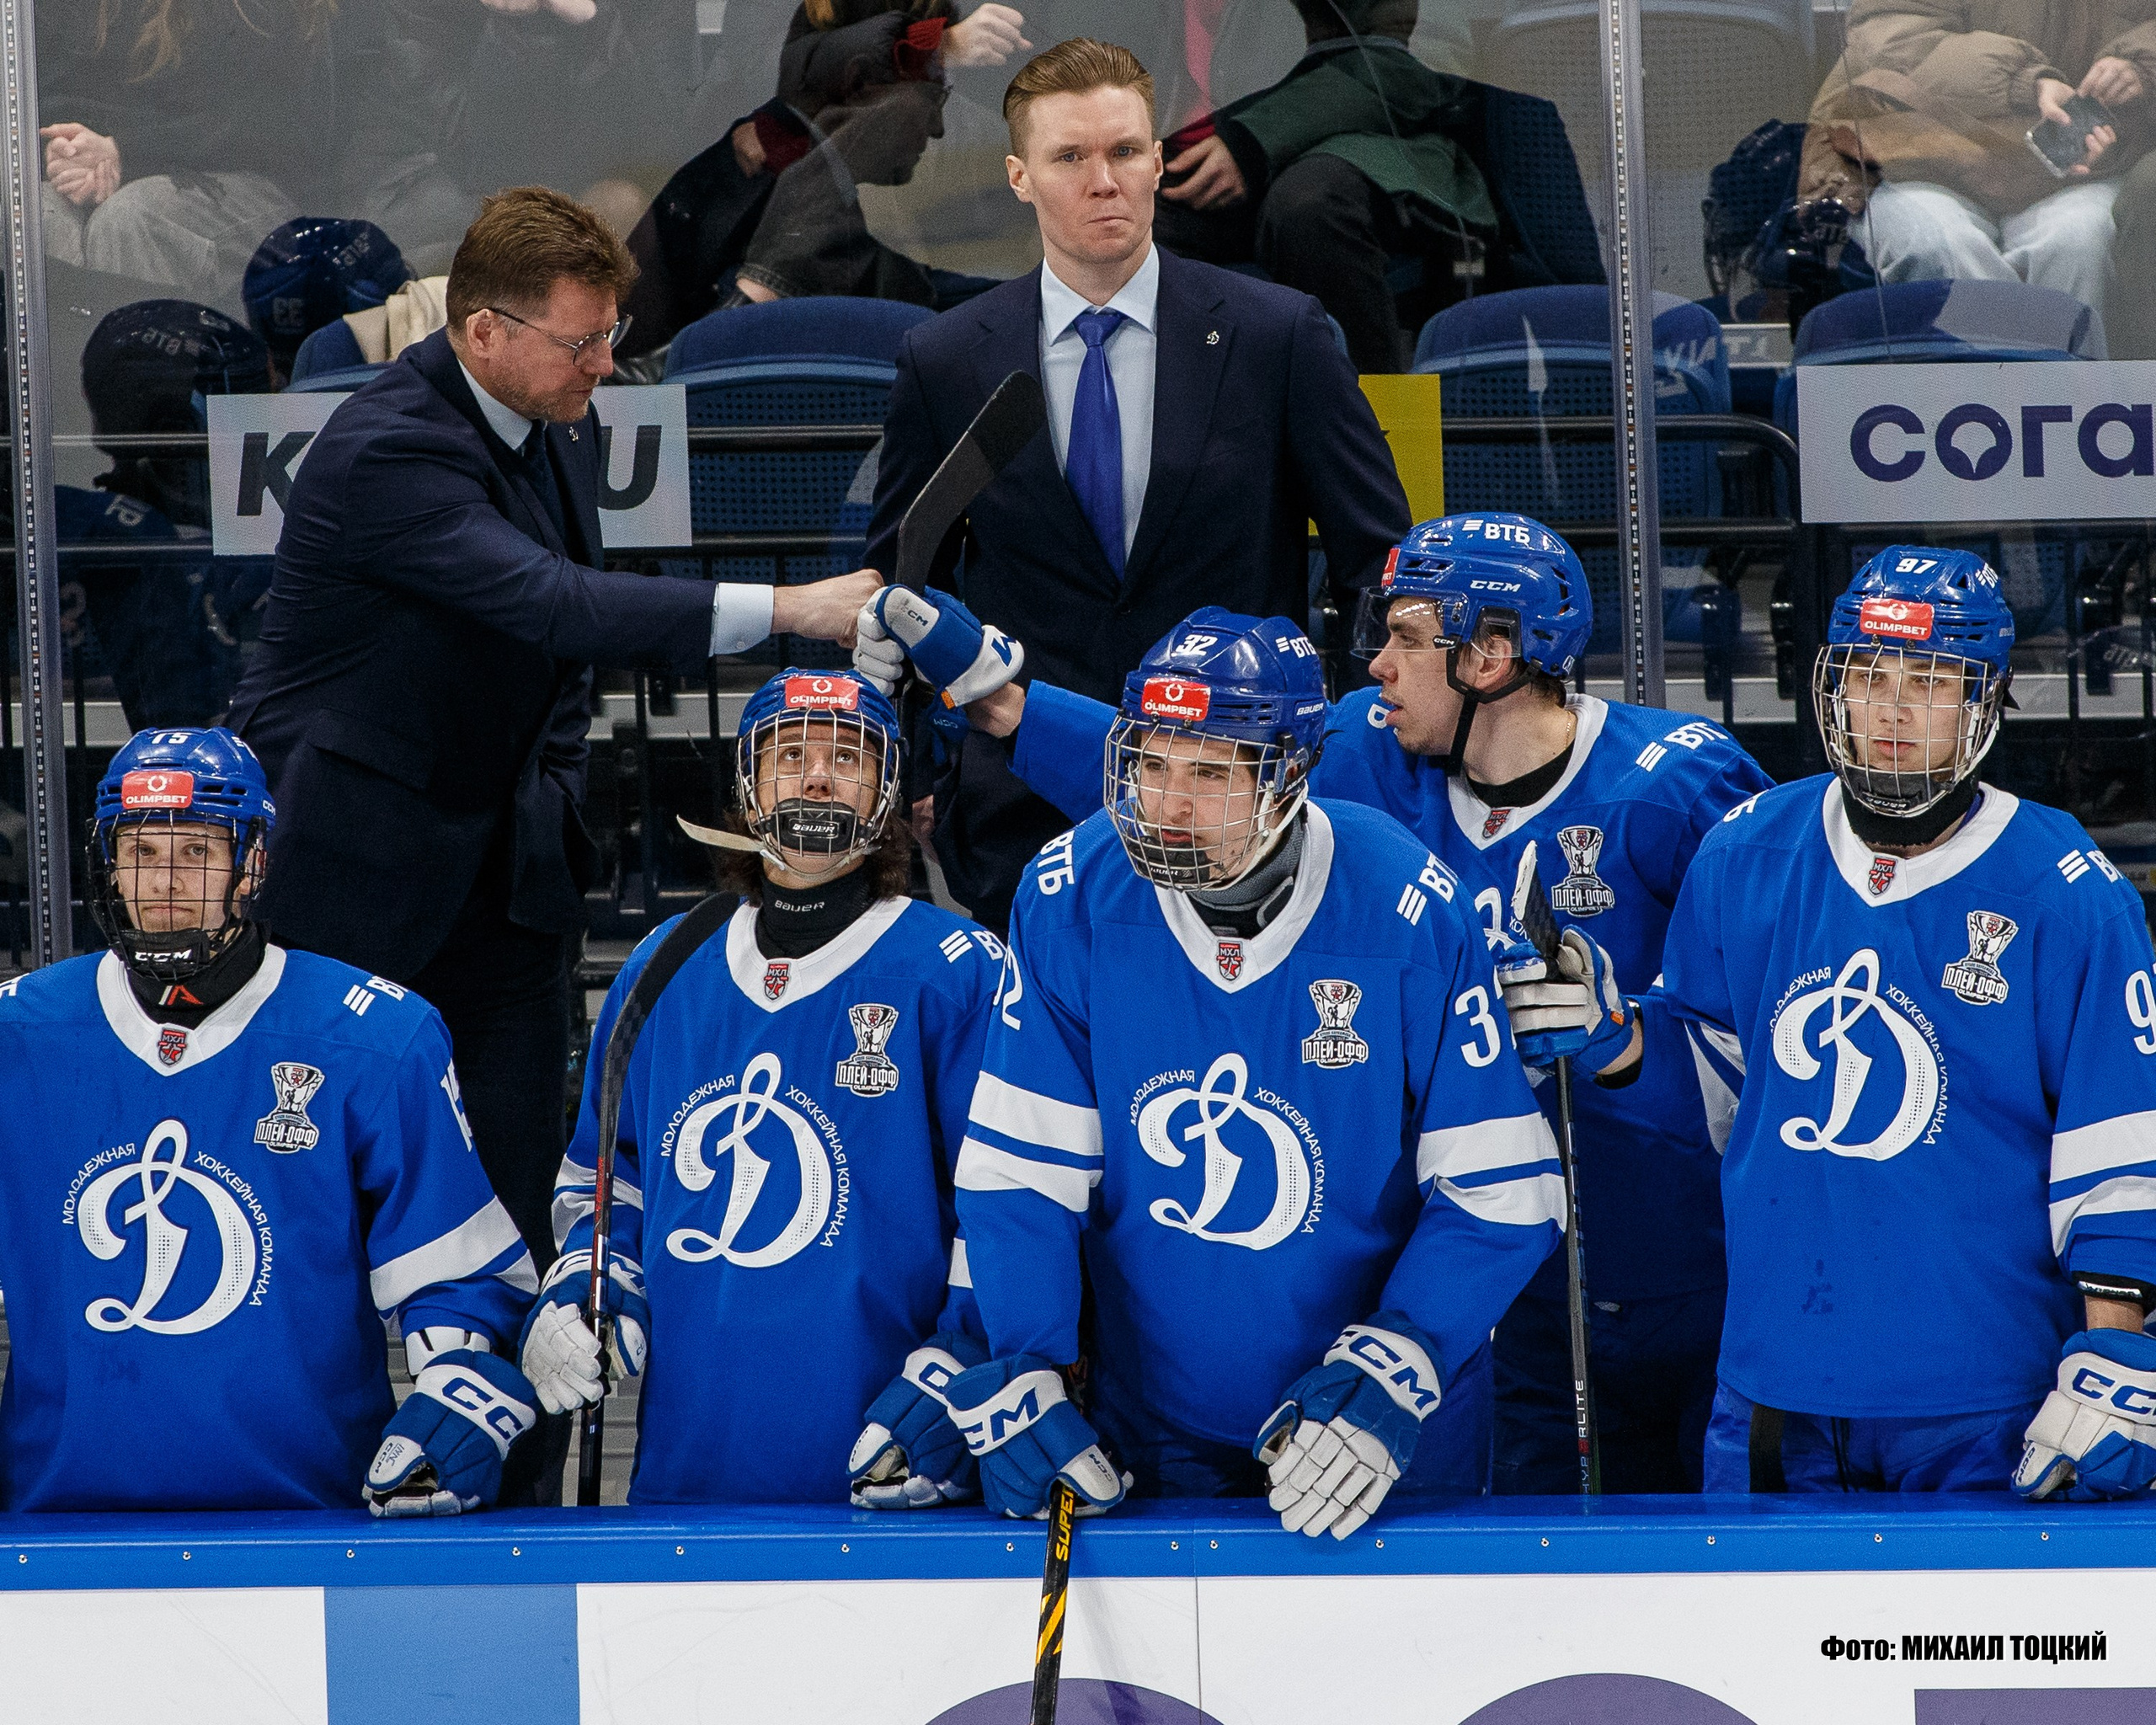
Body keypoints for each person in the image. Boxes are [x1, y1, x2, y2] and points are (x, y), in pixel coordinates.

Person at [857, 511, 1774, 1494]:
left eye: (1408, 637)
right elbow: (1189, 776)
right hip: (1471, 1292)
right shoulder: (1356, 752)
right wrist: (995, 696)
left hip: (1660, 1263)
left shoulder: (1678, 786)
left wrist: (1627, 1040)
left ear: (1492, 654)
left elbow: (1773, 1052)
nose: (1376, 665)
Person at [225, 188, 881, 1503]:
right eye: (582, 341)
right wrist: (793, 607)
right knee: (307, 1198)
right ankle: (297, 1483)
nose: (606, 366)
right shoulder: (383, 446)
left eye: (614, 335)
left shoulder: (558, 422)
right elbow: (552, 600)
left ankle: (511, 1505)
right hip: (348, 874)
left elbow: (556, 660)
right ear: (481, 330)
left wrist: (556, 799)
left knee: (522, 1191)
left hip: (502, 870)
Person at [1518, 547, 2156, 1497]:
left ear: (1985, 699)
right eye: (1868, 675)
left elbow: (2118, 1142)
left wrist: (2120, 1357)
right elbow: (1720, 1091)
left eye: (1929, 681)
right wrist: (1618, 1036)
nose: (1892, 708)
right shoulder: (1744, 850)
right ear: (1833, 687)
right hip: (1776, 1389)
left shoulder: (2064, 889)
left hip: (1988, 1398)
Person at [930, 610, 1563, 1537]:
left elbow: (1503, 1188)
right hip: (1146, 1421)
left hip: (1373, 1420)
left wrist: (1402, 1356)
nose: (1169, 805)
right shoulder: (1072, 889)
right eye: (1150, 764)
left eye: (1210, 773)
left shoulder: (1403, 900)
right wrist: (1031, 1362)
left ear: (1291, 774)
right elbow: (1023, 1170)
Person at [865, 35, 1411, 932]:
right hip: (1020, 807)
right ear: (1018, 177)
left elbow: (1373, 562)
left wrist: (1348, 750)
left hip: (1244, 796)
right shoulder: (948, 359)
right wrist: (923, 772)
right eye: (1069, 157)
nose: (1102, 179)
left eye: (1123, 151)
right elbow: (898, 583)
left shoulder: (1276, 336)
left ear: (1158, 163)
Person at [0, 728, 542, 1514]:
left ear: (251, 863)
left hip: (310, 1525)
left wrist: (457, 1392)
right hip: (53, 1527)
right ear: (109, 864)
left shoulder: (374, 1036)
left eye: (195, 851)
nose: (164, 881)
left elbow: (454, 1272)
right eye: (142, 852)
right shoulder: (18, 1040)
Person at [525, 668, 1001, 1505]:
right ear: (748, 783)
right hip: (690, 1466)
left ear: (888, 788)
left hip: (897, 1457)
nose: (816, 775)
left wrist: (956, 1364)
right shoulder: (661, 964)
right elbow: (606, 1176)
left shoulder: (955, 970)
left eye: (846, 756)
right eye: (790, 754)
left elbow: (1007, 1207)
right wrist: (587, 1279)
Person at [620, 0, 1030, 356]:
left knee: (892, 113)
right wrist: (934, 45)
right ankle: (654, 347)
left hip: (965, 172)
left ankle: (719, 329)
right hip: (812, 179)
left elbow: (1050, 80)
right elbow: (776, 66)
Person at [1155, 0, 1497, 374]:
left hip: (1380, 144)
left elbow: (1418, 66)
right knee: (1130, 214)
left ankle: (1388, 423)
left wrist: (1259, 138)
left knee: (1309, 207)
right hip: (1242, 142)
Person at [1797, 3, 2156, 346]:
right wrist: (2026, 81)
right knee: (1938, 245)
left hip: (2077, 169)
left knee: (2077, 244)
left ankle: (2067, 394)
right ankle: (1988, 396)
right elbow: (1891, 33)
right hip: (1914, 158)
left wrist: (2141, 65)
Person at [39, 0, 334, 301]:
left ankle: (152, 341)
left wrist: (123, 152)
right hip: (143, 163)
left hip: (255, 181)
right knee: (36, 211)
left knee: (131, 219)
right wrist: (69, 151)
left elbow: (259, 124)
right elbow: (57, 88)